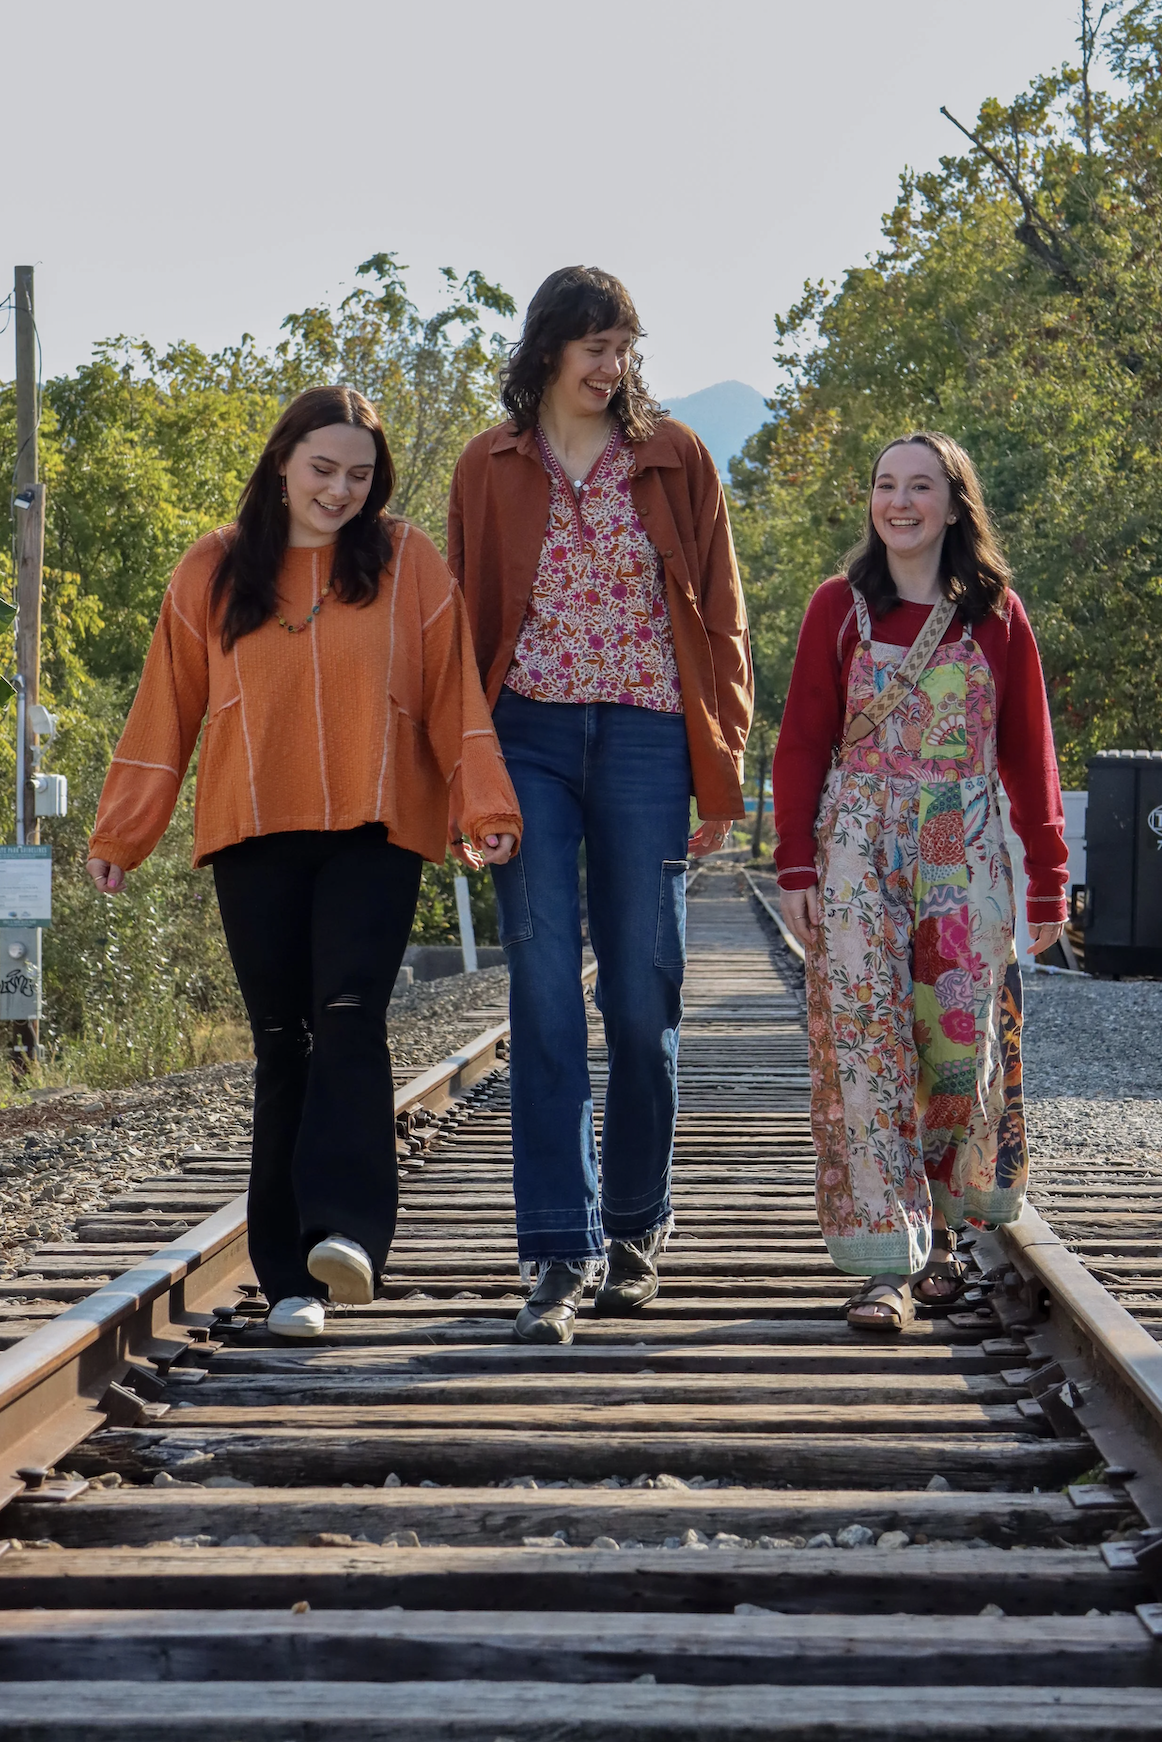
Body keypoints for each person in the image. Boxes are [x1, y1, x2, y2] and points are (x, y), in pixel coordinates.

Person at [87, 385, 520, 1339]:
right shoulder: (214, 566)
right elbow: (166, 707)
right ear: (281, 463)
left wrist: (484, 803)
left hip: (377, 826)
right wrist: (123, 832)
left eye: (359, 476)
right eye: (323, 469)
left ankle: (350, 1235)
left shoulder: (406, 559)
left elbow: (453, 693)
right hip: (254, 831)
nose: (340, 490)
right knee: (283, 1042)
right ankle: (289, 1279)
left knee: (352, 1015)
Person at [448, 266, 753, 1345]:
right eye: (591, 343)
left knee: (640, 996)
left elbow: (719, 616)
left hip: (645, 737)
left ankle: (633, 1226)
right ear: (545, 348)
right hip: (524, 731)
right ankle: (556, 1251)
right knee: (540, 991)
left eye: (622, 344)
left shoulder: (673, 456)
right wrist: (468, 767)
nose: (608, 362)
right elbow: (462, 627)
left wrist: (720, 767)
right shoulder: (486, 466)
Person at [773, 431, 1066, 1332]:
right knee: (865, 1043)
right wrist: (794, 862)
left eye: (920, 487)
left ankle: (941, 1234)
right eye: (885, 485)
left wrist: (1049, 879)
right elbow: (802, 742)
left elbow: (1030, 754)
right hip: (857, 846)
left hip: (966, 851)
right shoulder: (838, 606)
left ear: (953, 502)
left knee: (956, 1046)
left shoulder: (997, 614)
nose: (899, 502)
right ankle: (881, 1265)